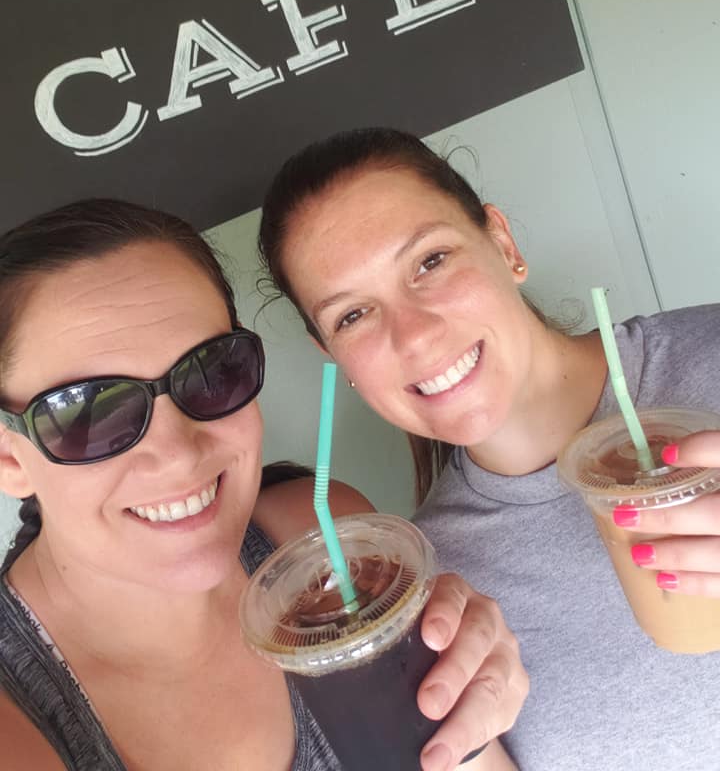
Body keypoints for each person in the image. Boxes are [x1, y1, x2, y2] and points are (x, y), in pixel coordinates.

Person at [0, 198, 527, 771]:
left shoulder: (322, 543)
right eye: (90, 413)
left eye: (210, 371)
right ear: (9, 457)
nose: (179, 455)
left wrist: (462, 722)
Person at [258, 126, 720, 771]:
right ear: (332, 356)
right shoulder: (432, 601)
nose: (414, 336)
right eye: (352, 316)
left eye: (430, 261)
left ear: (503, 243)